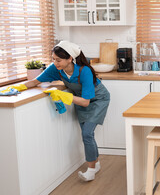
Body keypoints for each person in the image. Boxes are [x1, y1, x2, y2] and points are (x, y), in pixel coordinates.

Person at [6, 41, 110, 182]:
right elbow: (35, 81)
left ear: (70, 59)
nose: (55, 62)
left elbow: (86, 101)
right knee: (88, 134)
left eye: (58, 60)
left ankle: (90, 170)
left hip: (97, 100)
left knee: (86, 134)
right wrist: (16, 88)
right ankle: (95, 164)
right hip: (78, 99)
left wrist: (65, 96)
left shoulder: (83, 70)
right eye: (53, 59)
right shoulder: (56, 68)